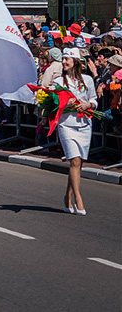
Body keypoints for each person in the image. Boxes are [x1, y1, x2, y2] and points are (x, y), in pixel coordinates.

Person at [58, 48, 97, 215]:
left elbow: (94, 99)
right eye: (63, 59)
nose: (64, 62)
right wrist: (67, 104)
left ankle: (68, 195)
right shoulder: (59, 81)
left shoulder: (87, 80)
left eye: (67, 59)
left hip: (84, 124)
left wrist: (87, 105)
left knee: (78, 163)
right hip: (67, 125)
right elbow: (55, 104)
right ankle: (78, 198)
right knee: (74, 160)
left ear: (75, 61)